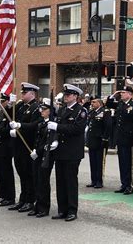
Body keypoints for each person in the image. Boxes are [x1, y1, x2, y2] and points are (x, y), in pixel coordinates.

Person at [48, 84, 88, 222]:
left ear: (75, 96)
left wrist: (57, 127)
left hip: (72, 152)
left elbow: (76, 129)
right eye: (65, 95)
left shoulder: (81, 111)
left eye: (69, 95)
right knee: (61, 181)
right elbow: (58, 129)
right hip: (60, 151)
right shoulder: (62, 110)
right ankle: (62, 209)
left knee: (70, 182)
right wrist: (55, 140)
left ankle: (72, 210)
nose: (66, 97)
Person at [8, 82, 43, 213]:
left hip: (28, 144)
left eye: (24, 93)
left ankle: (30, 200)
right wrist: (10, 105)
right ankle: (23, 199)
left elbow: (36, 125)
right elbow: (9, 116)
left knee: (29, 174)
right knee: (21, 173)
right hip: (19, 145)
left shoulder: (36, 107)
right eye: (22, 92)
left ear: (32, 94)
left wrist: (20, 126)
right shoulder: (21, 105)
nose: (22, 95)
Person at [106, 86, 133, 195]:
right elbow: (109, 104)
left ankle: (129, 185)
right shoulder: (121, 104)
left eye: (124, 92)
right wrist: (113, 94)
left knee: (129, 163)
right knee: (122, 162)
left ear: (129, 94)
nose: (121, 94)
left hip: (129, 138)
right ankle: (124, 184)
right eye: (121, 92)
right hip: (120, 138)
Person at [29, 101, 56, 218]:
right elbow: (38, 139)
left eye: (44, 110)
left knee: (43, 181)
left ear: (50, 111)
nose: (42, 111)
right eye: (42, 109)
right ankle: (37, 205)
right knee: (36, 179)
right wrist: (34, 150)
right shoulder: (41, 124)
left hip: (46, 156)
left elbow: (47, 142)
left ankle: (44, 207)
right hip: (38, 155)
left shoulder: (52, 124)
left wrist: (38, 151)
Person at [86, 96, 112, 189]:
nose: (92, 104)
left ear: (99, 103)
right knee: (92, 161)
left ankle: (99, 181)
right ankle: (93, 180)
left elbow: (108, 126)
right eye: (92, 102)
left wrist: (105, 138)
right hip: (92, 140)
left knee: (99, 162)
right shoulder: (92, 112)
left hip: (100, 141)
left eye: (94, 102)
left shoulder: (105, 112)